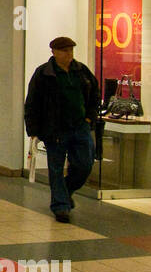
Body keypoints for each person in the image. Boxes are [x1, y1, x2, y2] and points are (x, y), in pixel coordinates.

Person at [23, 37, 100, 223]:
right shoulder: (44, 74)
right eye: (65, 51)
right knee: (56, 168)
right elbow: (32, 103)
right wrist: (33, 129)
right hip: (54, 129)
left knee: (85, 164)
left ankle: (63, 193)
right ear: (54, 52)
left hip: (80, 126)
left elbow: (95, 95)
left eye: (71, 51)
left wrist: (90, 117)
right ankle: (60, 207)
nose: (69, 55)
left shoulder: (81, 71)